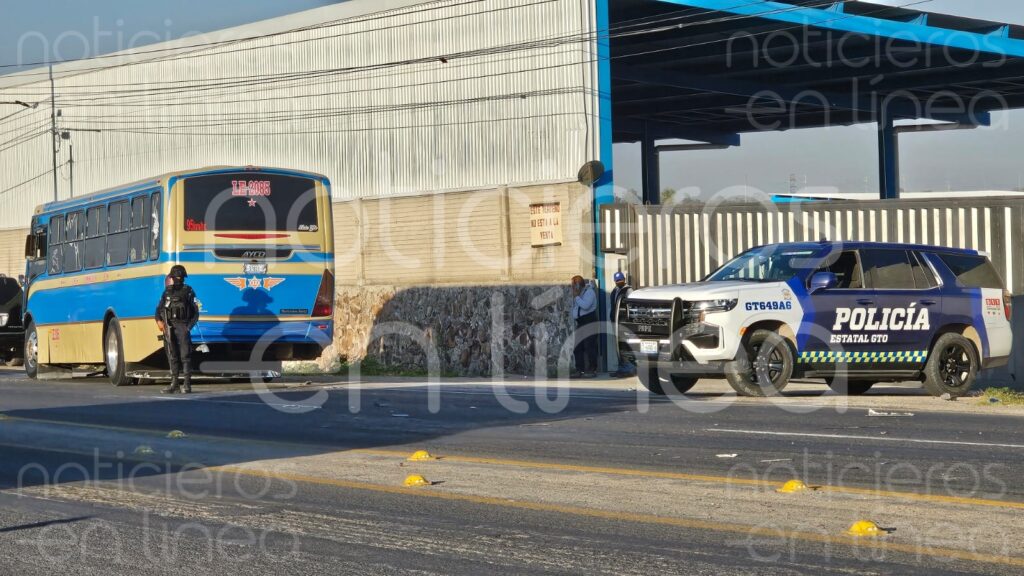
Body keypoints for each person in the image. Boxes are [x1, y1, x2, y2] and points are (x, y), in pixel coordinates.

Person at [155, 265, 200, 394]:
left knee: (185, 356)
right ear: (172, 278)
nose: (177, 279)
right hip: (169, 326)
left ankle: (186, 384)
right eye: (175, 277)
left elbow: (196, 313)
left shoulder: (189, 291)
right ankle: (174, 383)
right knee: (172, 355)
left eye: (179, 277)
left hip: (183, 326)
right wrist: (159, 321)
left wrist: (188, 327)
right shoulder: (167, 292)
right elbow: (158, 309)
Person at [571, 275, 598, 378]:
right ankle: (579, 369)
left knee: (589, 346)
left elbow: (586, 306)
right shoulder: (580, 293)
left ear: (578, 285)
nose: (573, 287)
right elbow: (577, 308)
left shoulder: (589, 292)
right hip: (581, 322)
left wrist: (577, 297)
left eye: (574, 285)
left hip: (590, 322)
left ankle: (592, 369)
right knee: (577, 346)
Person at [610, 272, 636, 378]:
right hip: (615, 322)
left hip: (623, 322)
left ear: (624, 279)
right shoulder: (614, 291)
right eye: (617, 281)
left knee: (625, 345)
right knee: (618, 346)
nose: (619, 282)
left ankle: (629, 368)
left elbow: (632, 305)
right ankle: (621, 368)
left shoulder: (628, 290)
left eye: (621, 280)